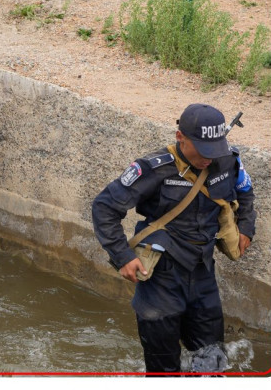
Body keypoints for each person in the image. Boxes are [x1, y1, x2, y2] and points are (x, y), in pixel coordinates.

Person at [92, 103, 256, 374]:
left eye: (215, 150)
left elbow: (245, 192)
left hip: (203, 274)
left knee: (212, 364)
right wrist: (123, 256)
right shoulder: (154, 169)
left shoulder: (228, 160)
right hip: (161, 281)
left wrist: (247, 229)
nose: (209, 159)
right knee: (163, 371)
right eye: (203, 151)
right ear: (180, 137)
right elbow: (104, 207)